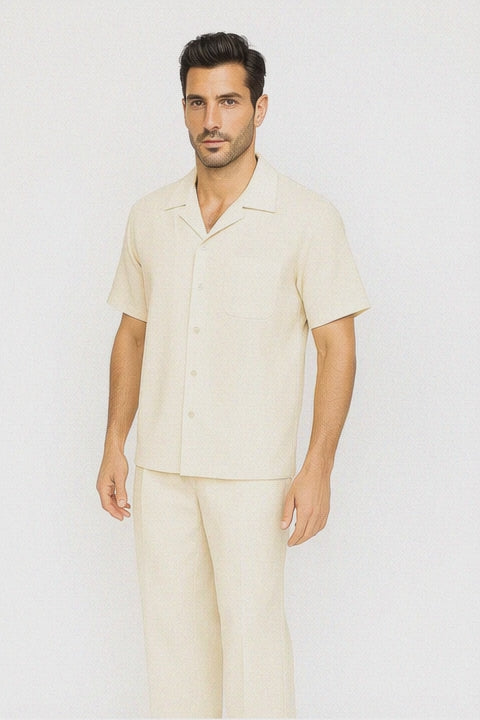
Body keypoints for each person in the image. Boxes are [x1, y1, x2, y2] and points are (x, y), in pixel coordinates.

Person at [96, 31, 369, 719]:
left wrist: (318, 466)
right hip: (162, 467)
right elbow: (132, 332)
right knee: (173, 645)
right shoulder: (150, 216)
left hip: (253, 473)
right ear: (183, 109)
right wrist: (114, 443)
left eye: (228, 101)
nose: (211, 119)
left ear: (259, 108)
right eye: (197, 102)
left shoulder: (307, 218)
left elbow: (337, 346)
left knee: (254, 644)